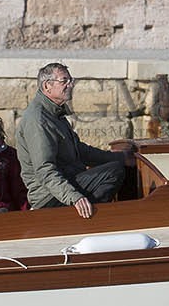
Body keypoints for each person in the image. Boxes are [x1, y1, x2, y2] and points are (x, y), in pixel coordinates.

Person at [15, 62, 135, 218]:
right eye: (64, 81)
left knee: (119, 166)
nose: (70, 85)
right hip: (49, 196)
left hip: (67, 182)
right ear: (47, 86)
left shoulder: (55, 113)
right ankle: (91, 218)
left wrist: (120, 157)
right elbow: (45, 170)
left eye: (70, 80)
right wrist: (74, 197)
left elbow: (80, 151)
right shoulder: (39, 121)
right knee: (114, 172)